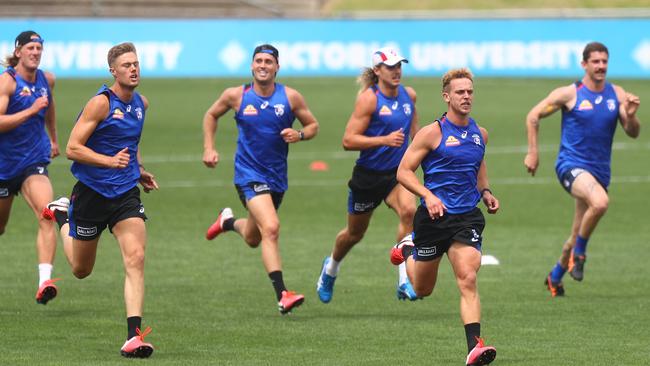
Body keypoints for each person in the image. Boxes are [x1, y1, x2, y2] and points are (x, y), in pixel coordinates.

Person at [42, 42, 159, 358]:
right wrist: (109, 162)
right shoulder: (100, 103)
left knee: (136, 257)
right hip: (91, 194)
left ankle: (133, 336)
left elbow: (130, 145)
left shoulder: (141, 105)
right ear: (113, 71)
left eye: (136, 63)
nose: (133, 69)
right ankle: (64, 215)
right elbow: (72, 148)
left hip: (124, 195)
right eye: (126, 65)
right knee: (81, 269)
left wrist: (140, 171)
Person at [390, 68, 498, 365]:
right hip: (433, 219)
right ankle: (408, 247)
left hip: (466, 218)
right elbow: (403, 172)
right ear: (446, 96)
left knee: (468, 277)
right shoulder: (432, 133)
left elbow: (478, 164)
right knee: (422, 289)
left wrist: (486, 191)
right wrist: (427, 195)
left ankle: (474, 347)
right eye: (460, 92)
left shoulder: (480, 133)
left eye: (470, 91)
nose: (466, 96)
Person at [202, 44, 319, 315]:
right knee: (272, 227)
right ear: (252, 65)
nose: (263, 65)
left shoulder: (290, 97)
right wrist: (209, 147)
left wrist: (299, 134)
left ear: (277, 66)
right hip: (248, 174)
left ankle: (227, 222)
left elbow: (313, 125)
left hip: (276, 178)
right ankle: (283, 294)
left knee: (255, 237)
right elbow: (211, 115)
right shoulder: (236, 95)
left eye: (269, 61)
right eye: (258, 61)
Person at [524, 42, 641, 297]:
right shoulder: (570, 94)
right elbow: (533, 116)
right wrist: (533, 152)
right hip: (571, 166)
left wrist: (631, 116)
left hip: (599, 173)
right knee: (600, 203)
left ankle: (555, 276)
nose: (601, 66)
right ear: (584, 64)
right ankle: (580, 254)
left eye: (604, 61)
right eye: (595, 61)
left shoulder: (617, 94)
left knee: (577, 232)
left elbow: (633, 133)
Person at [316, 47, 419, 304]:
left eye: (399, 66)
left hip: (397, 175)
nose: (396, 71)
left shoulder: (410, 96)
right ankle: (331, 268)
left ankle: (404, 278)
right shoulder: (369, 99)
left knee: (409, 212)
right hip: (369, 177)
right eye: (390, 67)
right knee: (354, 234)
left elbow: (416, 137)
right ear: (377, 71)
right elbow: (348, 140)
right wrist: (384, 139)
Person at [0, 30, 65, 305]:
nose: (36, 52)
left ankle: (44, 281)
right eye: (30, 48)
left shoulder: (46, 79)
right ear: (18, 52)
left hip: (33, 162)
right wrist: (30, 110)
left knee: (46, 214)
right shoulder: (7, 82)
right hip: (3, 167)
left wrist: (53, 138)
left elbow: (49, 107)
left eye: (39, 48)